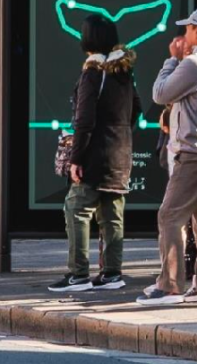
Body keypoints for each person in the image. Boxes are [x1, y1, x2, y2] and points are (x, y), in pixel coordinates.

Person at [137, 8, 197, 306]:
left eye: (187, 29)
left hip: (193, 149)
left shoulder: (195, 63)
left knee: (170, 215)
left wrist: (171, 59)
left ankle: (170, 284)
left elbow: (160, 94)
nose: (182, 36)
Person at [48, 17, 136, 293]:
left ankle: (78, 274)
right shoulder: (124, 73)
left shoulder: (92, 73)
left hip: (95, 154)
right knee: (112, 215)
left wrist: (76, 158)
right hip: (121, 153)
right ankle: (112, 273)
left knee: (76, 209)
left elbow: (84, 120)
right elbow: (137, 111)